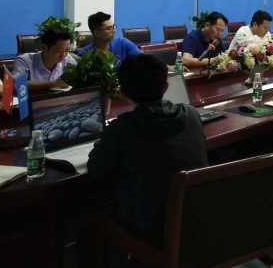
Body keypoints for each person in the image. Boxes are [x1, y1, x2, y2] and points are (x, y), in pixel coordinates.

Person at [87, 53, 207, 246]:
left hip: (152, 230)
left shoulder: (122, 128)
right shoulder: (192, 114)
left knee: (89, 226)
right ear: (166, 86)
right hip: (198, 217)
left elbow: (96, 169)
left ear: (122, 92)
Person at [13, 28, 77, 91]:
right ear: (44, 47)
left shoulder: (69, 60)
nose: (63, 55)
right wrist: (54, 83)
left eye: (67, 50)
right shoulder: (24, 61)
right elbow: (15, 85)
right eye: (58, 51)